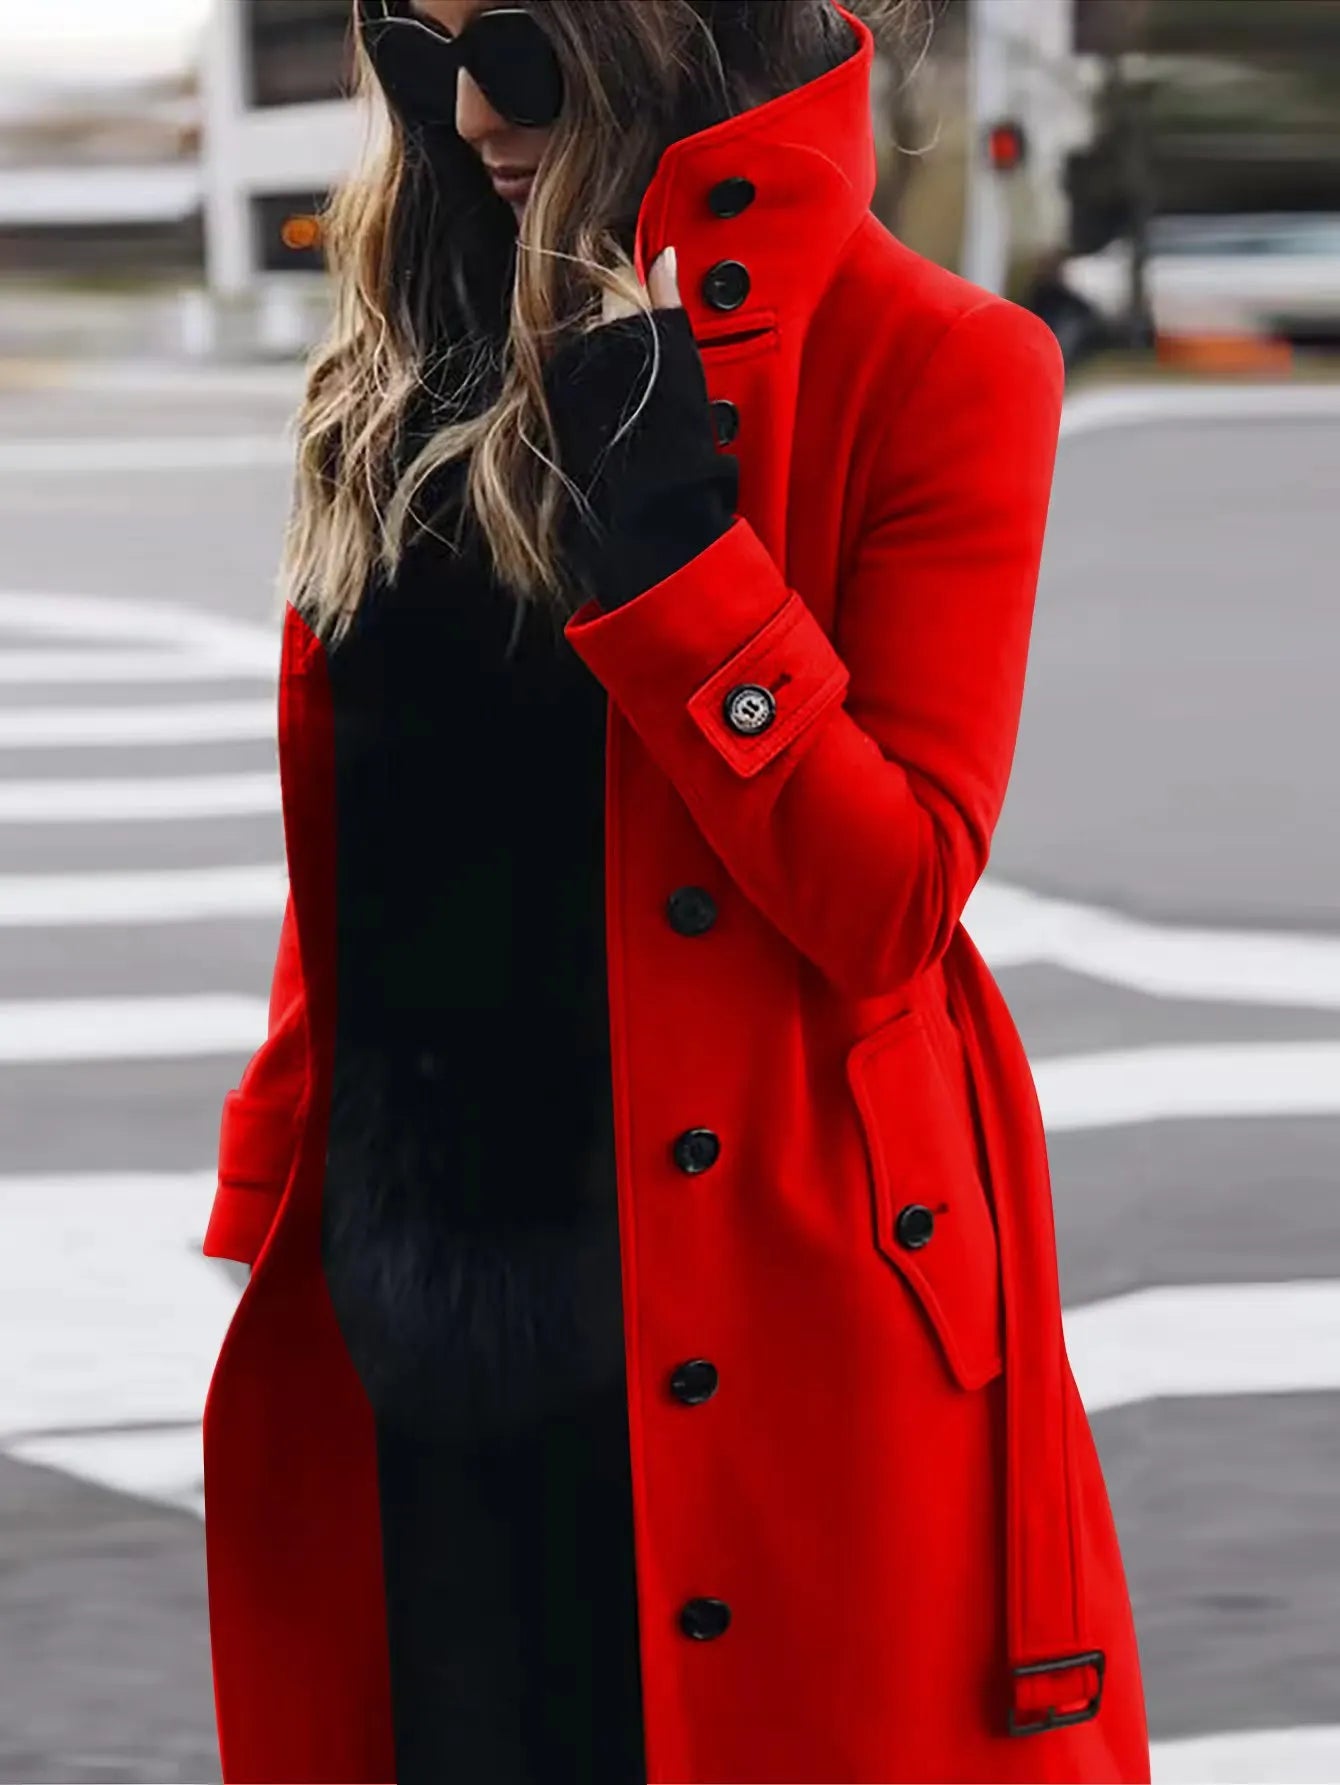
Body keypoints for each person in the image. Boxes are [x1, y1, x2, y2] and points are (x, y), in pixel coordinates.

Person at [200, 3, 1152, 1783]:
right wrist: (290, 1171)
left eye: (525, 51)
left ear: (674, 42)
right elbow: (383, 819)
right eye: (421, 54)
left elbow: (894, 895)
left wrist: (683, 555)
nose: (472, 112)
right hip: (422, 1308)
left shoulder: (938, 360)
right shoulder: (411, 362)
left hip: (760, 1306)